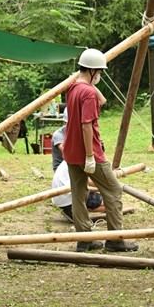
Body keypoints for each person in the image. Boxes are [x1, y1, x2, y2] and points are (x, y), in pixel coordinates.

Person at [62, 48, 138, 252]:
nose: (101, 76)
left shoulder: (73, 87)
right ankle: (115, 239)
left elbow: (102, 101)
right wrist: (89, 156)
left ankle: (85, 238)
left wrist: (84, 79)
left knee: (78, 194)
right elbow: (87, 124)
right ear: (93, 71)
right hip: (90, 152)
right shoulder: (86, 92)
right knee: (113, 191)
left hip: (70, 151)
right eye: (100, 72)